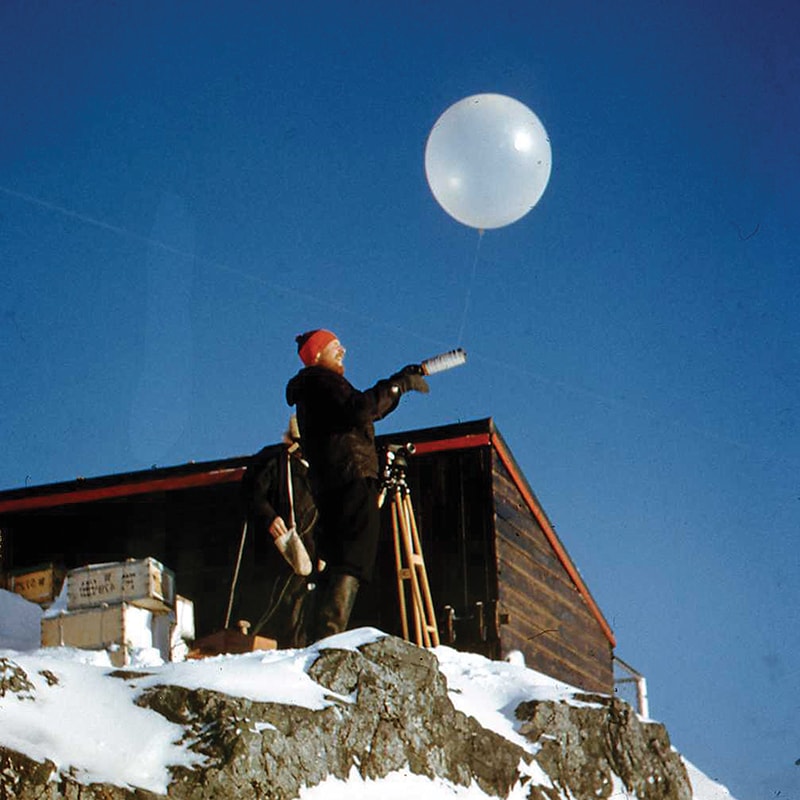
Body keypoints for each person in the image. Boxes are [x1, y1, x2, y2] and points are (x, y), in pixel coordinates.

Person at [285, 328, 429, 639]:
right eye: (335, 346)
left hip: (332, 481)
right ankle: (330, 633)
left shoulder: (312, 388)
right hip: (350, 476)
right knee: (353, 555)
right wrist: (397, 385)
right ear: (318, 354)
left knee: (339, 556)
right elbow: (361, 409)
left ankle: (320, 635)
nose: (344, 350)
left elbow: (360, 410)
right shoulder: (322, 380)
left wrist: (396, 385)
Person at [244, 416, 319, 648]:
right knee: (281, 603)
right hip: (280, 548)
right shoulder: (274, 460)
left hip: (309, 553)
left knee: (303, 606)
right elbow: (252, 492)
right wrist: (269, 517)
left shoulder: (319, 470)